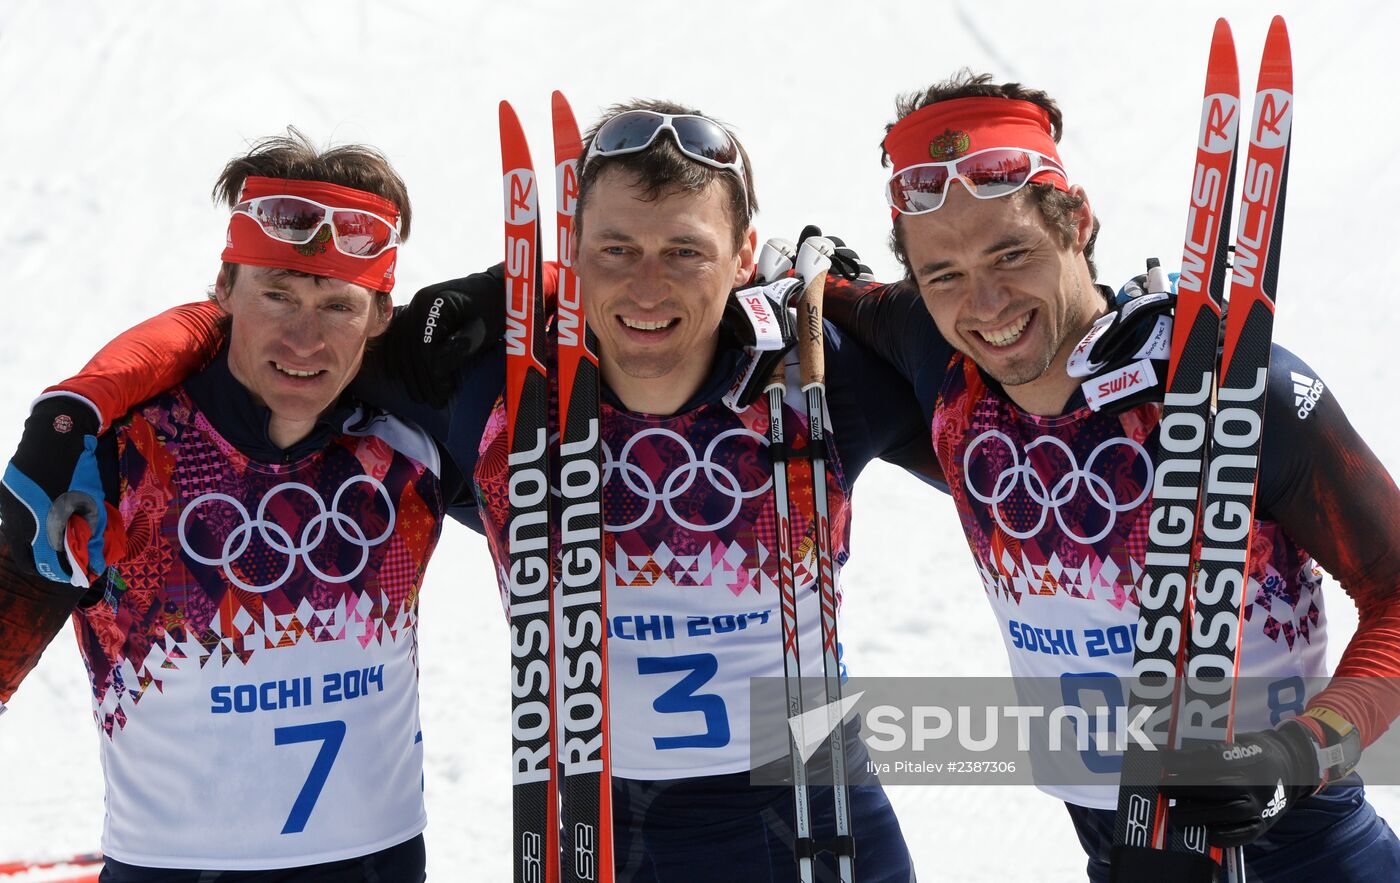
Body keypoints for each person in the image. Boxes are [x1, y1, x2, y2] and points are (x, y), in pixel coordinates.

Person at [7, 102, 932, 881]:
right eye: (614, 248)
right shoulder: (471, 404)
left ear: (740, 257)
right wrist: (78, 404)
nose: (305, 336)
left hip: (819, 811)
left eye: (683, 252)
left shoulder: (817, 381)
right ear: (569, 254)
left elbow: (1000, 383)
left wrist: (849, 294)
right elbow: (253, 330)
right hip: (601, 828)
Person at [820, 71, 1400, 880]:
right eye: (942, 273)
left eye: (1011, 252)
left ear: (1077, 222)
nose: (984, 303)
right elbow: (817, 294)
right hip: (1120, 853)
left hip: (1300, 851)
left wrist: (1303, 750)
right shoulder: (934, 350)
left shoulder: (1235, 391)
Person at [0, 131, 488, 881]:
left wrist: (503, 288)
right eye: (278, 295)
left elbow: (625, 298)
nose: (304, 337)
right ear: (224, 291)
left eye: (337, 304)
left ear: (383, 314)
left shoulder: (412, 443)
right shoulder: (113, 461)